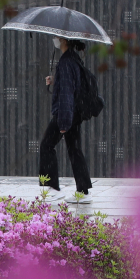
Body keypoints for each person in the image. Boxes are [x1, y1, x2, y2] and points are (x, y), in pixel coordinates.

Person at [40, 37, 92, 204]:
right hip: (73, 112)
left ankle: (52, 187)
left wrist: (63, 122)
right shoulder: (72, 58)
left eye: (56, 37)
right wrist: (55, 81)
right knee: (74, 149)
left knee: (47, 145)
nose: (54, 39)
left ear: (63, 40)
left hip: (65, 113)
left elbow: (67, 93)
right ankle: (83, 191)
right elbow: (71, 85)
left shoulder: (66, 62)